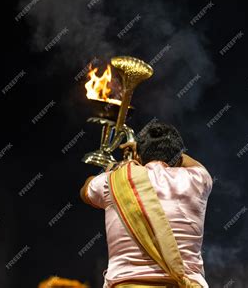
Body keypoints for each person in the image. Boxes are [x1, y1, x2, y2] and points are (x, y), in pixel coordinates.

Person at [80, 122, 213, 288]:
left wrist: (115, 167)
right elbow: (194, 164)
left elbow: (86, 190)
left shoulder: (113, 181)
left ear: (138, 156)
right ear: (179, 158)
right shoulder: (198, 180)